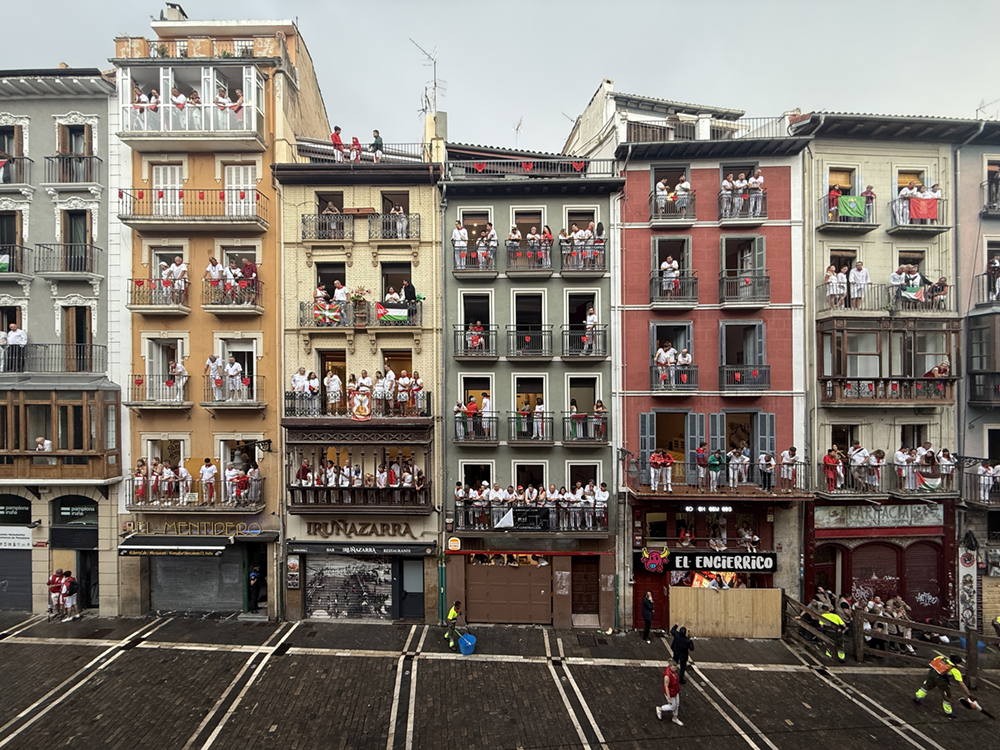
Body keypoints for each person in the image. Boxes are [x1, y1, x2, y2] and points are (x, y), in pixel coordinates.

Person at [656, 660, 684, 726]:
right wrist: (668, 697)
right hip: (670, 692)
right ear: (670, 666)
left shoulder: (673, 672)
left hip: (675, 691)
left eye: (675, 668)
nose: (675, 669)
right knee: (672, 706)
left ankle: (675, 718)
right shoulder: (667, 675)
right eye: (673, 668)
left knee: (677, 704)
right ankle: (660, 709)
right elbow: (666, 686)